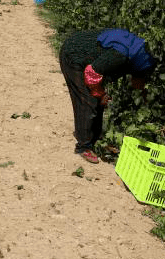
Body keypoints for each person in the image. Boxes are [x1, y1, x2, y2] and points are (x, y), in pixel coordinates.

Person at [59, 28, 157, 164]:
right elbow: (91, 73)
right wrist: (100, 93)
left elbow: (138, 83)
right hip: (74, 56)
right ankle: (83, 147)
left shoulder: (138, 54)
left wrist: (145, 101)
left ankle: (94, 139)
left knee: (98, 102)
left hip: (91, 61)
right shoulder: (121, 56)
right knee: (88, 101)